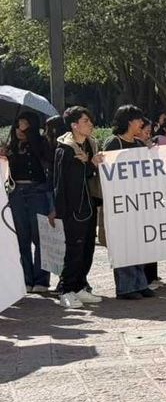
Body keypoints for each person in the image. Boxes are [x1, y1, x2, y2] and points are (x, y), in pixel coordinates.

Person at [101, 106, 156, 300]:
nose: (141, 123)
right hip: (121, 204)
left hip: (138, 203)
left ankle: (140, 283)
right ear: (128, 121)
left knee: (138, 243)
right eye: (138, 120)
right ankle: (125, 287)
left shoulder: (140, 145)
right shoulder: (113, 143)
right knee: (123, 243)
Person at [53, 106, 105, 308]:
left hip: (89, 205)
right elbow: (61, 182)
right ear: (74, 125)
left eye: (90, 120)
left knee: (87, 249)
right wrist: (89, 165)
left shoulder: (91, 145)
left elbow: (90, 175)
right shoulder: (64, 149)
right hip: (73, 209)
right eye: (85, 121)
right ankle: (66, 290)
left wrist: (90, 164)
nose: (90, 124)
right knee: (73, 249)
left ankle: (80, 286)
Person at [1, 112, 53, 293]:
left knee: (39, 237)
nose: (19, 129)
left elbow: (45, 157)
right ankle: (26, 279)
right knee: (21, 238)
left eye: (24, 125)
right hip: (16, 193)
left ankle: (41, 280)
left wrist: (31, 137)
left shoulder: (40, 144)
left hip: (36, 192)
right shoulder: (11, 146)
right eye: (17, 125)